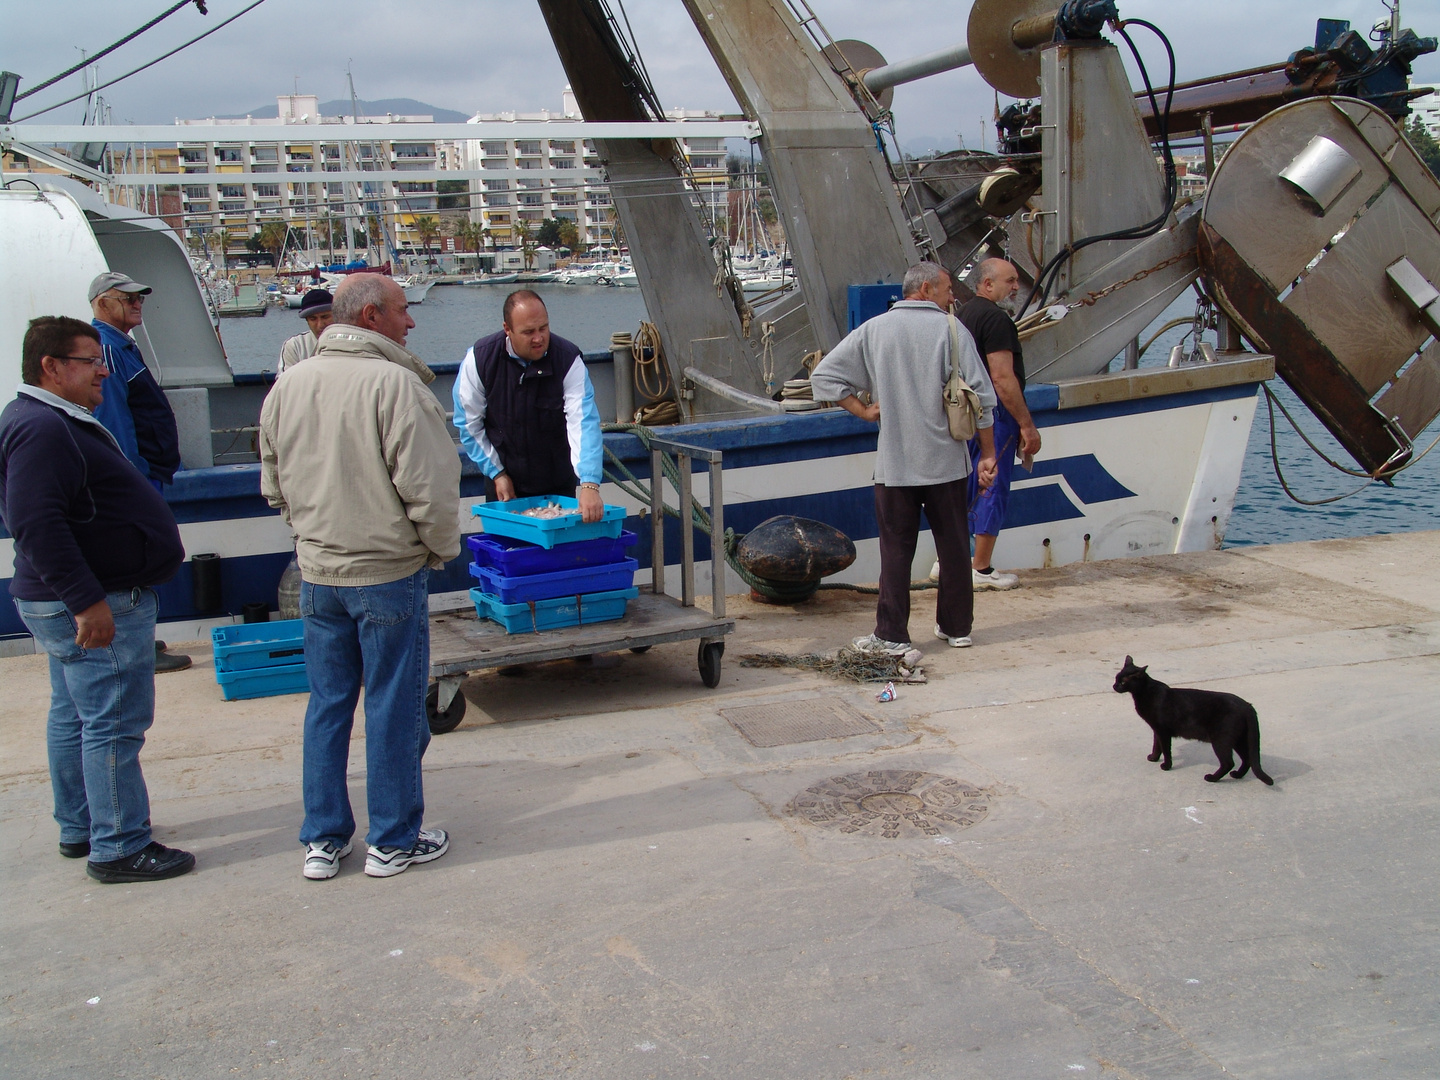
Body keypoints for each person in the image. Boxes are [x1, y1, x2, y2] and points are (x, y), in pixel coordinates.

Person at [259, 274, 460, 880]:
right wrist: (438, 551)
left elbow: (274, 487)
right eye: (403, 310)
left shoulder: (286, 388)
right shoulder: (395, 386)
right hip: (386, 574)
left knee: (327, 706)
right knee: (394, 707)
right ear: (371, 316)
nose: (412, 322)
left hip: (318, 575)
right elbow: (430, 489)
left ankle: (323, 840)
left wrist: (313, 538)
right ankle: (393, 839)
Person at [0, 316, 195, 883]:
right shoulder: (43, 428)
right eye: (90, 361)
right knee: (111, 722)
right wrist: (87, 602)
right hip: (89, 604)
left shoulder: (37, 420)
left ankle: (81, 825)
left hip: (67, 598)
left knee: (74, 715)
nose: (103, 371)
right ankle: (120, 845)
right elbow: (34, 522)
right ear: (52, 367)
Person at [810, 263, 998, 654]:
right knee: (953, 546)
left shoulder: (875, 330)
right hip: (947, 462)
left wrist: (862, 411)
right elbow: (982, 397)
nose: (953, 297)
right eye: (948, 290)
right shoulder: (952, 330)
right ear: (927, 288)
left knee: (895, 551)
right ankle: (957, 627)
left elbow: (823, 377)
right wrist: (989, 452)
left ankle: (892, 634)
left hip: (895, 465)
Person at [89, 271, 192, 673]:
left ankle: (138, 634)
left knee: (138, 556)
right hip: (137, 478)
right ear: (102, 303)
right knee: (134, 556)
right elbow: (115, 420)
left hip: (146, 473)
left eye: (139, 299)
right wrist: (131, 479)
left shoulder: (120, 346)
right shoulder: (108, 349)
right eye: (127, 298)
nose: (137, 304)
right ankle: (135, 644)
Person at [453, 289, 605, 523]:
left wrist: (589, 484)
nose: (539, 338)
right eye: (528, 332)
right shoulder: (480, 360)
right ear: (507, 329)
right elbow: (468, 424)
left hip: (556, 486)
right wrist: (497, 473)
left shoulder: (568, 359)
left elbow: (583, 422)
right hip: (504, 485)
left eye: (543, 328)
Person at [958, 258, 1042, 591]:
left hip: (966, 413)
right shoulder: (996, 320)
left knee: (967, 484)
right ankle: (981, 567)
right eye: (1010, 280)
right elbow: (1003, 378)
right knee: (993, 484)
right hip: (995, 414)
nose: (1016, 287)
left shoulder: (962, 316)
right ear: (987, 284)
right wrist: (1027, 425)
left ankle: (952, 560)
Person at [277, 288, 334, 373]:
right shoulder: (295, 346)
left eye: (325, 317)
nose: (320, 324)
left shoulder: (350, 341)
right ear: (307, 321)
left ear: (336, 315)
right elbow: (285, 383)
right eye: (313, 319)